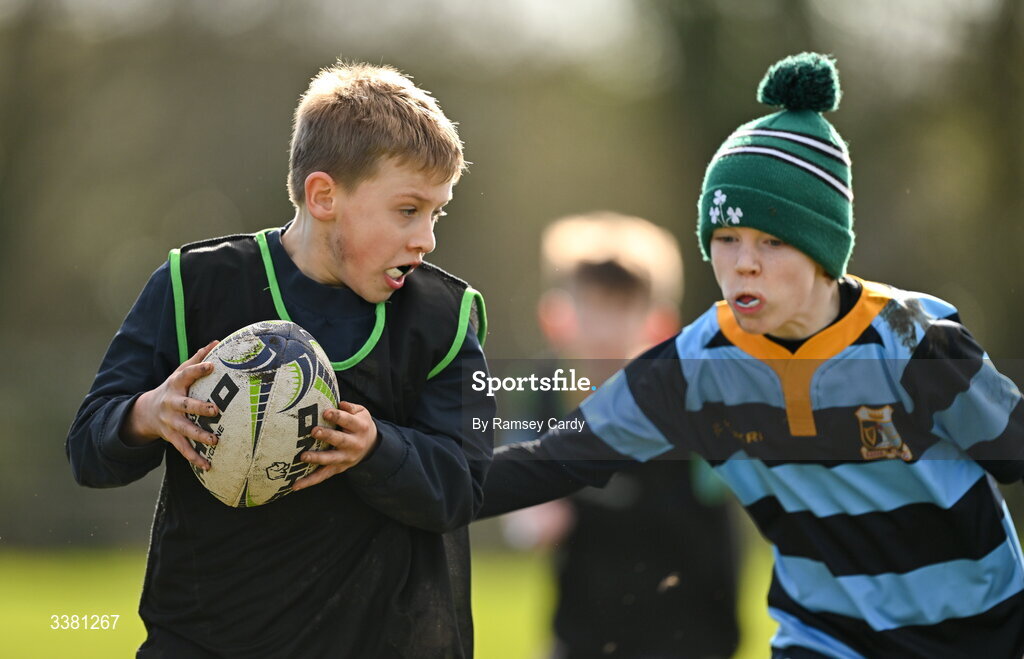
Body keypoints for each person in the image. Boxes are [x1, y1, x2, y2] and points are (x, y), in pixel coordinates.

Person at [479, 52, 1024, 659]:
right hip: (823, 639)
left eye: (771, 240)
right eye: (726, 239)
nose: (743, 263)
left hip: (980, 632)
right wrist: (392, 464)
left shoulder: (915, 343)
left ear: (822, 251)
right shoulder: (695, 366)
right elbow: (546, 460)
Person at [66, 61, 494, 658]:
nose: (425, 238)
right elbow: (88, 449)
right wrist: (147, 413)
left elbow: (464, 485)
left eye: (436, 213)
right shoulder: (194, 286)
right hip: (208, 639)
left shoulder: (444, 319)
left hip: (382, 641)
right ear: (324, 196)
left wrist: (376, 449)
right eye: (407, 210)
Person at [498, 212, 740, 659]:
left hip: (689, 633)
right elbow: (521, 501)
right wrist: (528, 517)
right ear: (555, 318)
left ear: (660, 324)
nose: (604, 330)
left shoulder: (691, 401)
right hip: (583, 631)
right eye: (591, 307)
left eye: (621, 309)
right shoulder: (539, 392)